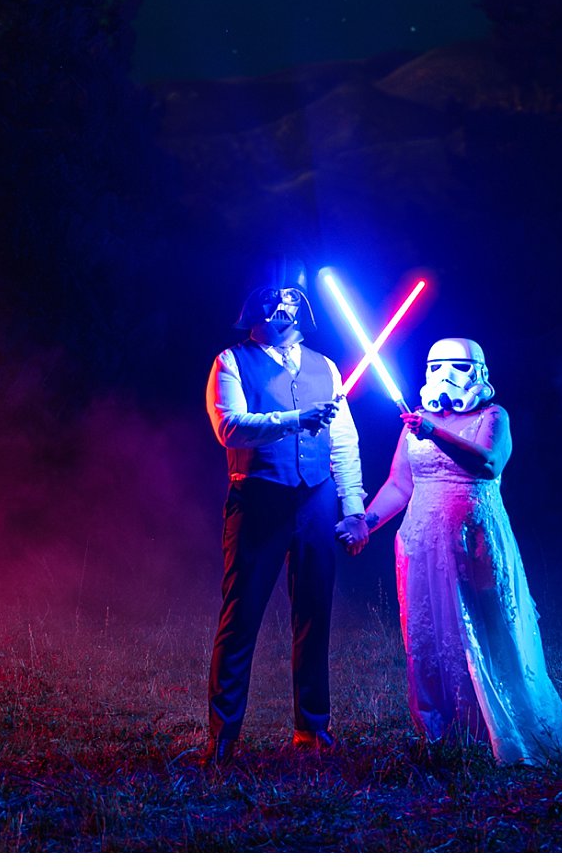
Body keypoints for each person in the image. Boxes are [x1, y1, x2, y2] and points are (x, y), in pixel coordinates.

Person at [337, 337, 562, 765]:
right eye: (437, 365)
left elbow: (487, 463)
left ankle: (497, 726)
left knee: (485, 627)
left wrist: (434, 433)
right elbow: (400, 485)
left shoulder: (492, 416)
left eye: (458, 366)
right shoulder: (417, 421)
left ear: (479, 372)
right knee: (430, 635)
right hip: (421, 544)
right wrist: (365, 523)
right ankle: (442, 731)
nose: (446, 375)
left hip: (474, 543)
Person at [201, 278, 367, 767]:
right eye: (274, 303)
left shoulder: (326, 367)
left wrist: (354, 508)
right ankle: (223, 737)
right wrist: (296, 419)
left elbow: (343, 440)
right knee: (241, 616)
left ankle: (312, 728)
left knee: (314, 613)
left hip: (316, 500)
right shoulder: (231, 362)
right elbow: (229, 427)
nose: (283, 309)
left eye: (292, 302)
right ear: (255, 312)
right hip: (258, 499)